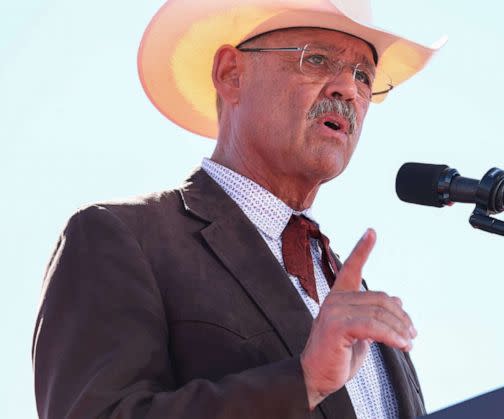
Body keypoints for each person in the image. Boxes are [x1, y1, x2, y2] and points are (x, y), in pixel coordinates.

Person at [32, 1, 444, 418]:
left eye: (363, 76)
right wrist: (303, 382)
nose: (348, 90)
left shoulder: (354, 295)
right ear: (231, 74)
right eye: (317, 59)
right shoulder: (120, 238)